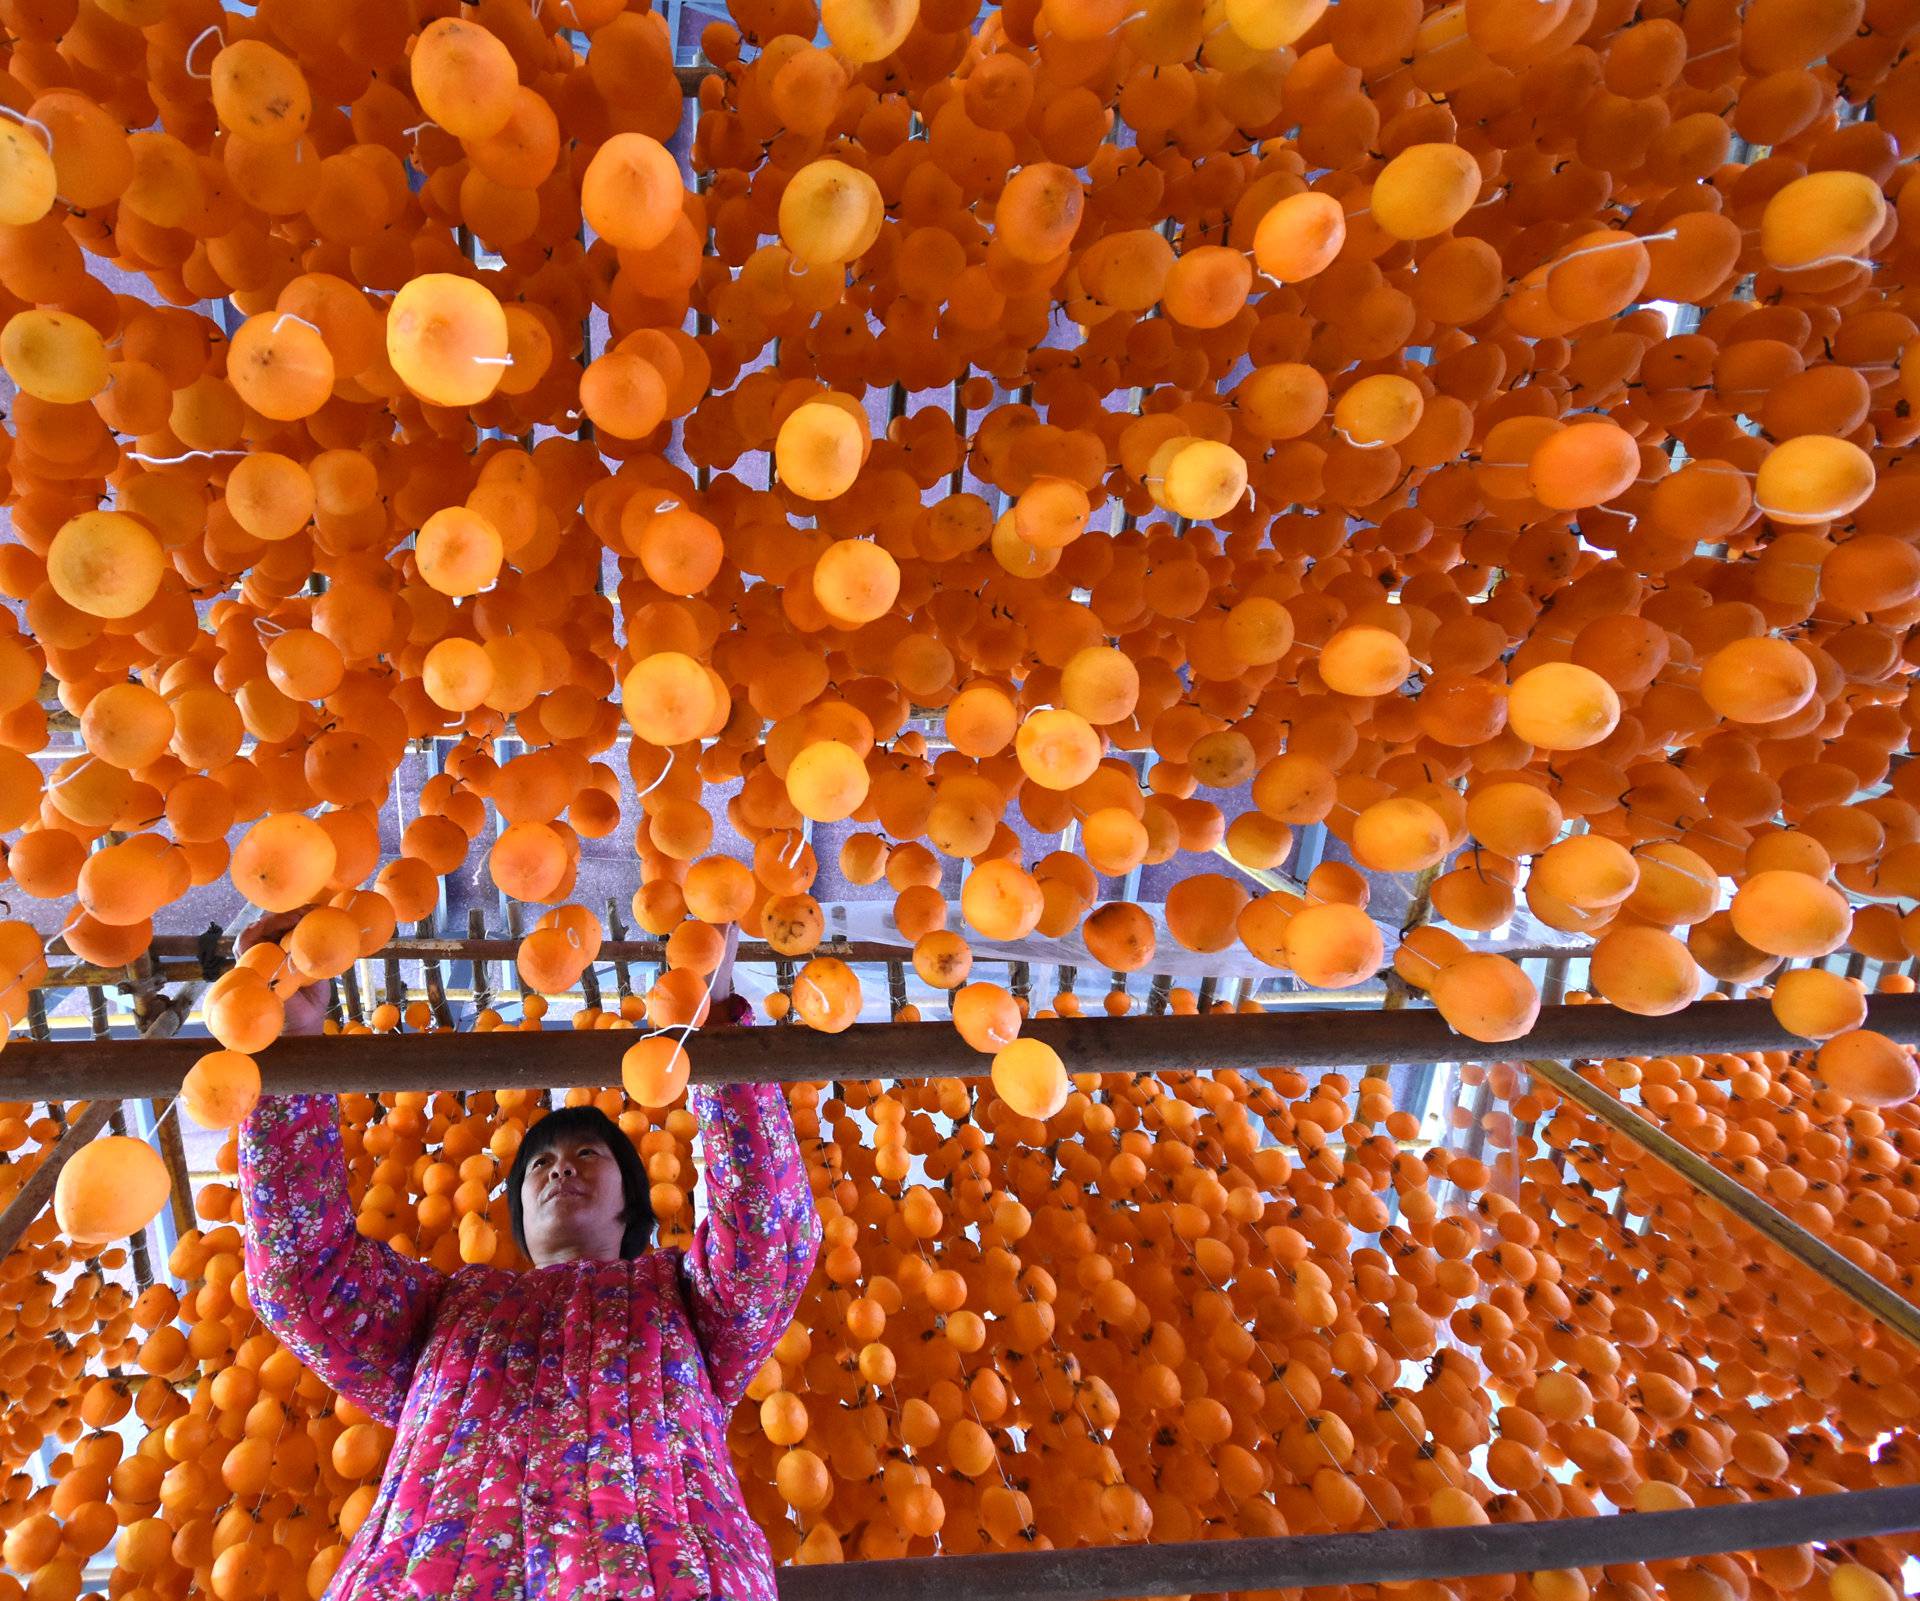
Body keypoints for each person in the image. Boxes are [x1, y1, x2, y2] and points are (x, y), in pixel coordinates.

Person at [236, 914, 822, 1601]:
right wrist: (288, 1049)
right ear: (517, 1216)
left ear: (632, 1204)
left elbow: (767, 1238)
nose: (558, 1170)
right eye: (539, 1162)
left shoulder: (687, 1299)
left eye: (585, 1154)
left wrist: (714, 1024)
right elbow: (300, 1274)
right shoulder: (448, 1309)